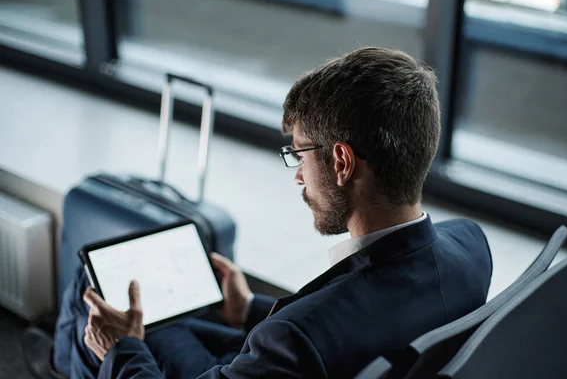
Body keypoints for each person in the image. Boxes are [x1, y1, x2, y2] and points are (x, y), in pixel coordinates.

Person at [53, 47, 492, 379]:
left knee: (92, 300)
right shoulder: (471, 246)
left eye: (299, 155)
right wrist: (249, 310)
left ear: (341, 163)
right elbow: (345, 323)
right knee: (156, 322)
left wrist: (121, 351)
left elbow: (303, 338)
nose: (298, 177)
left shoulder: (294, 337)